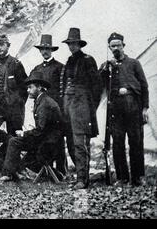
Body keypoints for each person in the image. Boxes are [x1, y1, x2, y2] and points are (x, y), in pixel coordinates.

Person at [99, 32, 149, 187]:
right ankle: (122, 177)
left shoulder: (134, 63)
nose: (116, 48)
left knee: (136, 142)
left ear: (123, 46)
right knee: (117, 144)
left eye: (118, 45)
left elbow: (144, 86)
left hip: (133, 108)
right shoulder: (107, 67)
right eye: (113, 46)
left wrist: (145, 108)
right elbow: (100, 85)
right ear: (109, 47)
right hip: (116, 111)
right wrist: (103, 70)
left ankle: (138, 177)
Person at [60, 28, 101, 189]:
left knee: (80, 143)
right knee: (71, 141)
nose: (72, 46)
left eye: (74, 43)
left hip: (82, 106)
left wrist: (90, 107)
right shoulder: (69, 61)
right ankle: (79, 175)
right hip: (68, 106)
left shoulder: (88, 60)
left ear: (79, 44)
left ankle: (83, 179)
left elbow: (97, 87)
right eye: (69, 44)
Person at [3, 72, 63, 182]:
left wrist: (24, 134)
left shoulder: (45, 103)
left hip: (48, 144)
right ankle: (55, 175)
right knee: (22, 158)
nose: (27, 90)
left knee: (14, 141)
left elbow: (41, 130)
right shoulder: (42, 100)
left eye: (30, 87)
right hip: (48, 141)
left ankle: (9, 174)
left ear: (39, 87)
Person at [29, 34, 69, 175]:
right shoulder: (36, 69)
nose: (45, 51)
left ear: (52, 50)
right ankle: (46, 171)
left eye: (47, 49)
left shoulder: (61, 68)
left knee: (57, 140)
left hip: (56, 111)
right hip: (42, 111)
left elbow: (64, 90)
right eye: (42, 49)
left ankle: (61, 171)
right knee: (43, 138)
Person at [0, 34, 28, 135]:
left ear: (8, 46)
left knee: (13, 136)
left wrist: (18, 103)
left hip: (12, 109)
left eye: (2, 45)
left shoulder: (16, 63)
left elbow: (24, 87)